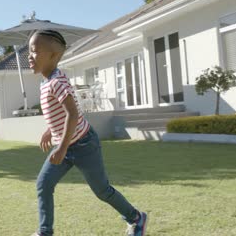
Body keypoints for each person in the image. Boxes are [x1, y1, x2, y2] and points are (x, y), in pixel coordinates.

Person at [28, 30, 147, 236]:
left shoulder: (57, 82)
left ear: (53, 56)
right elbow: (60, 113)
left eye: (35, 51)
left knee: (102, 191)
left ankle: (136, 218)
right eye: (29, 51)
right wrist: (50, 130)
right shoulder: (45, 82)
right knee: (43, 184)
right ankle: (44, 232)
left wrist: (63, 148)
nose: (30, 56)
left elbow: (72, 114)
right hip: (63, 144)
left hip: (83, 145)